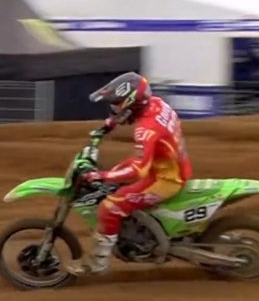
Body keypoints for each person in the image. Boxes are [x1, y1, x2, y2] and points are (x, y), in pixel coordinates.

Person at [66, 72, 193, 276]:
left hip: (166, 178)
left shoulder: (146, 129)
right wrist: (108, 125)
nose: (114, 109)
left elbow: (137, 169)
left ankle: (96, 264)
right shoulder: (156, 103)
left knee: (110, 207)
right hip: (166, 165)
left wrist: (100, 176)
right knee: (115, 178)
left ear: (131, 104)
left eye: (117, 105)